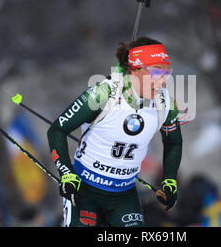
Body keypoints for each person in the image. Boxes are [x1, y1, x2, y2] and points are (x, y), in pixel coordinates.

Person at [46, 36, 183, 227]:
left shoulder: (166, 103)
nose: (161, 82)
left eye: (166, 74)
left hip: (124, 195)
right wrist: (67, 173)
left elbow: (173, 141)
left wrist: (169, 180)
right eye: (155, 73)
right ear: (135, 70)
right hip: (85, 191)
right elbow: (57, 130)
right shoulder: (104, 94)